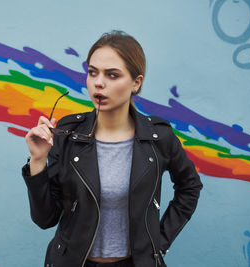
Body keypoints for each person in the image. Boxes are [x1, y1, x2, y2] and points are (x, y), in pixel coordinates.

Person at [22, 30, 203, 267]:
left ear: (136, 83)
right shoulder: (68, 133)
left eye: (112, 75)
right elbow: (45, 219)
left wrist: (158, 243)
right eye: (92, 72)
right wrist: (38, 161)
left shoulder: (158, 137)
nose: (99, 82)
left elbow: (189, 187)